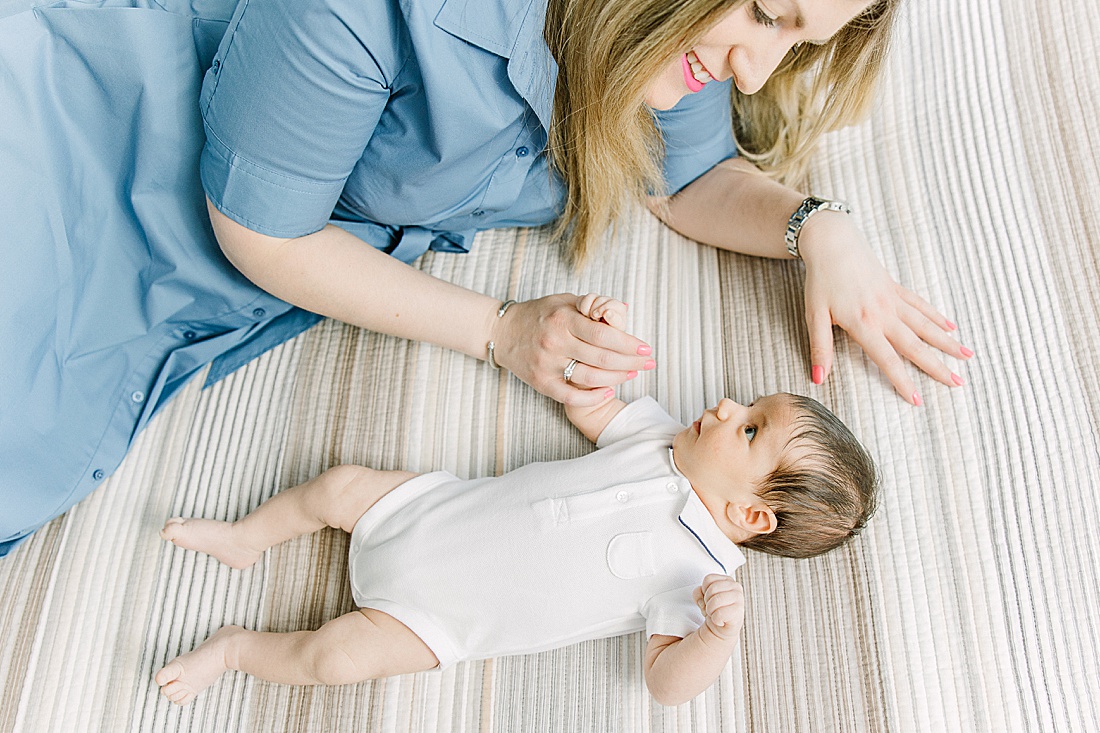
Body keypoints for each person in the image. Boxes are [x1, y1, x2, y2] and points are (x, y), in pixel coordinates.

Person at [0, 0, 968, 556]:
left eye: (794, 41)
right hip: (87, 151)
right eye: (764, 13)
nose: (756, 72)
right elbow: (263, 229)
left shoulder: (653, 39)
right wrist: (498, 328)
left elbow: (690, 178)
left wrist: (817, 227)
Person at [153, 294, 877, 707]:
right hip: (428, 512)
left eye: (748, 427)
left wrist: (713, 641)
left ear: (752, 516)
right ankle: (248, 535)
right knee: (339, 485)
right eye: (745, 404)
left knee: (337, 660)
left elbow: (665, 685)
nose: (722, 404)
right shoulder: (658, 437)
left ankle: (237, 649)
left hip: (438, 621)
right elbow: (590, 404)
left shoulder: (696, 580)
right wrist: (599, 331)